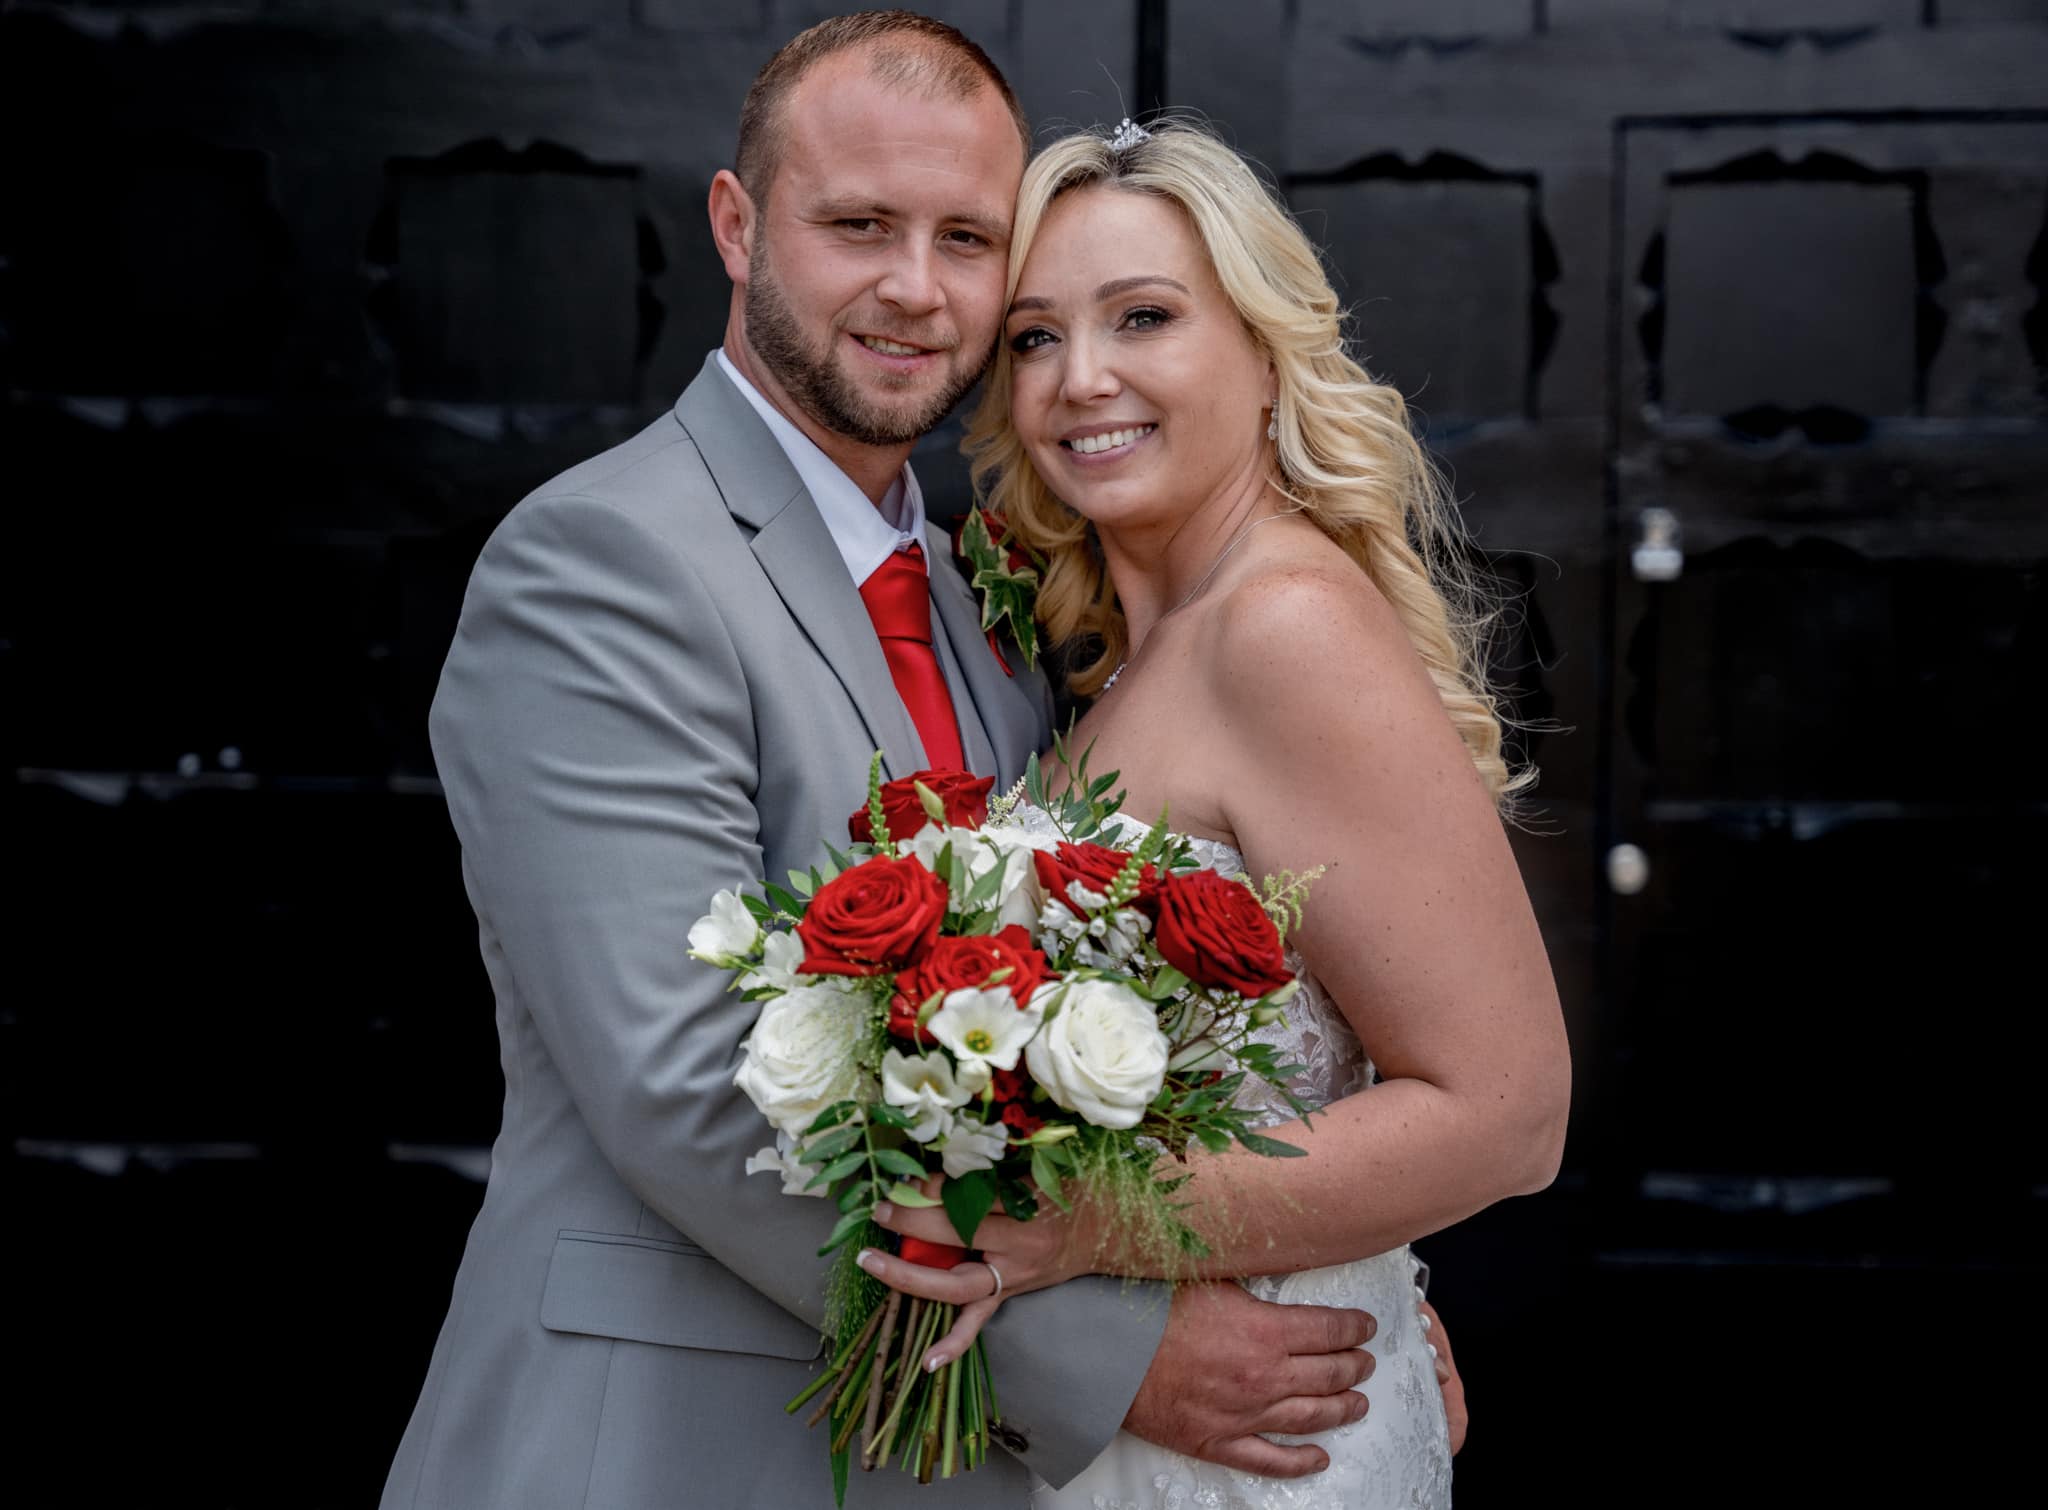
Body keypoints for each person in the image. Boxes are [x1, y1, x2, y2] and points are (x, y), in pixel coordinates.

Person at [381, 17, 1463, 1510]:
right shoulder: (604, 565)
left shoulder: (985, 600)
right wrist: (1123, 1350)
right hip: (673, 1451)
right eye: (859, 226)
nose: (915, 286)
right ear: (738, 224)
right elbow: (693, 1089)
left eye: (967, 240)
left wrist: (1312, 1272)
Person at [855, 119, 1568, 1507]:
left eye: (1144, 318)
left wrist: (1078, 1223)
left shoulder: (1283, 626)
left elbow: (1505, 1111)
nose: (1084, 378)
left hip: (1266, 1444)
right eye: (1036, 338)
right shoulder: (1122, 655)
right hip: (1145, 1424)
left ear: (1261, 350)